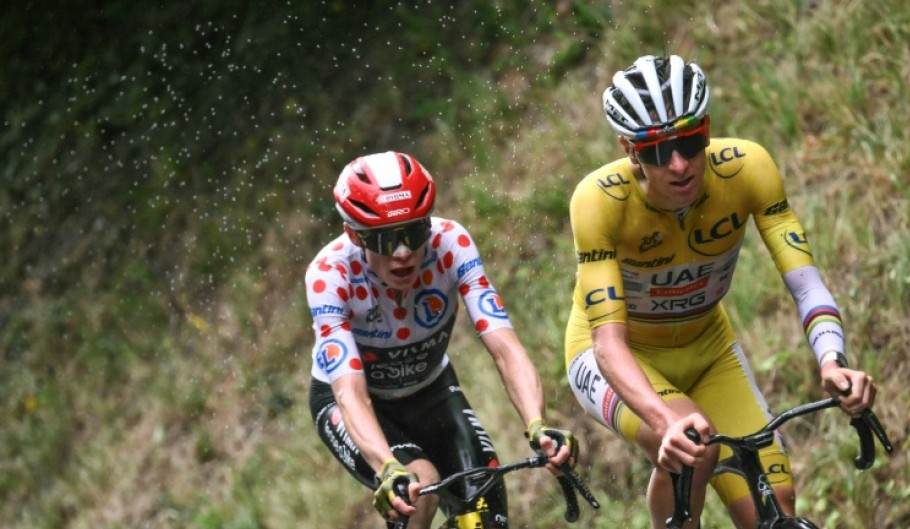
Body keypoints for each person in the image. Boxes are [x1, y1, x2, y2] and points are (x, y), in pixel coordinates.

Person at [564, 55, 877, 529]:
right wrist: (663, 421)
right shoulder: (599, 201)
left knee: (777, 505)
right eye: (656, 151)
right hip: (617, 358)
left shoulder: (748, 169)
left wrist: (833, 361)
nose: (678, 164)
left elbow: (805, 282)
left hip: (709, 349)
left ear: (707, 129)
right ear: (629, 150)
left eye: (690, 142)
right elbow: (608, 342)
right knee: (694, 448)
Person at [306, 150, 578, 529]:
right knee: (419, 488)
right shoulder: (330, 274)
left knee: (486, 508)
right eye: (385, 240)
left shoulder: (451, 244)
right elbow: (351, 392)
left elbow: (505, 347)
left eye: (414, 233)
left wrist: (537, 424)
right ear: (355, 234)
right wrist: (387, 467)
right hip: (361, 404)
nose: (403, 253)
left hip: (431, 389)